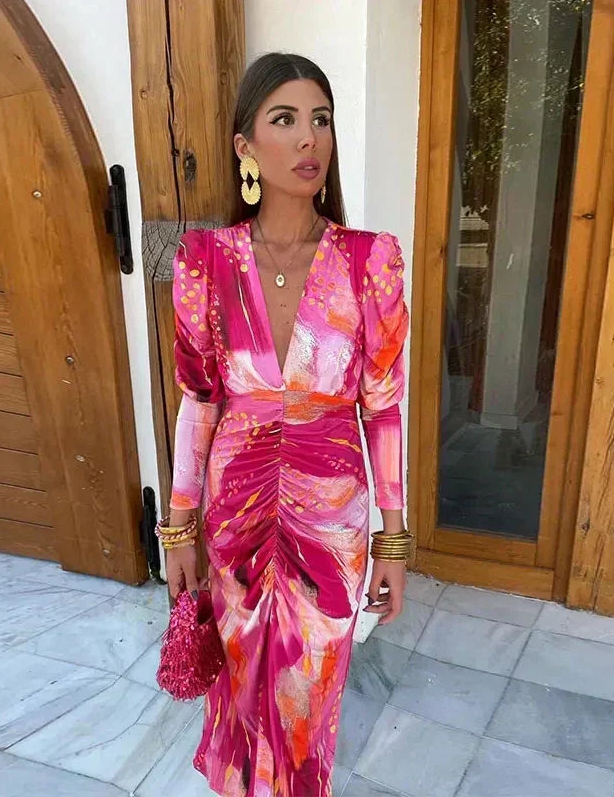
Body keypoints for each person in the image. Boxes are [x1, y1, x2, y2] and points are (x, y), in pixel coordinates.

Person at [161, 51, 411, 797]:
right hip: (234, 518)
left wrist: (393, 539)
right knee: (240, 689)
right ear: (246, 146)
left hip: (330, 524)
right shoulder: (204, 261)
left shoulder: (369, 261)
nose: (309, 138)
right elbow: (199, 402)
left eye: (321, 120)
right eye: (285, 119)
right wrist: (178, 530)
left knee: (307, 700)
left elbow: (383, 408)